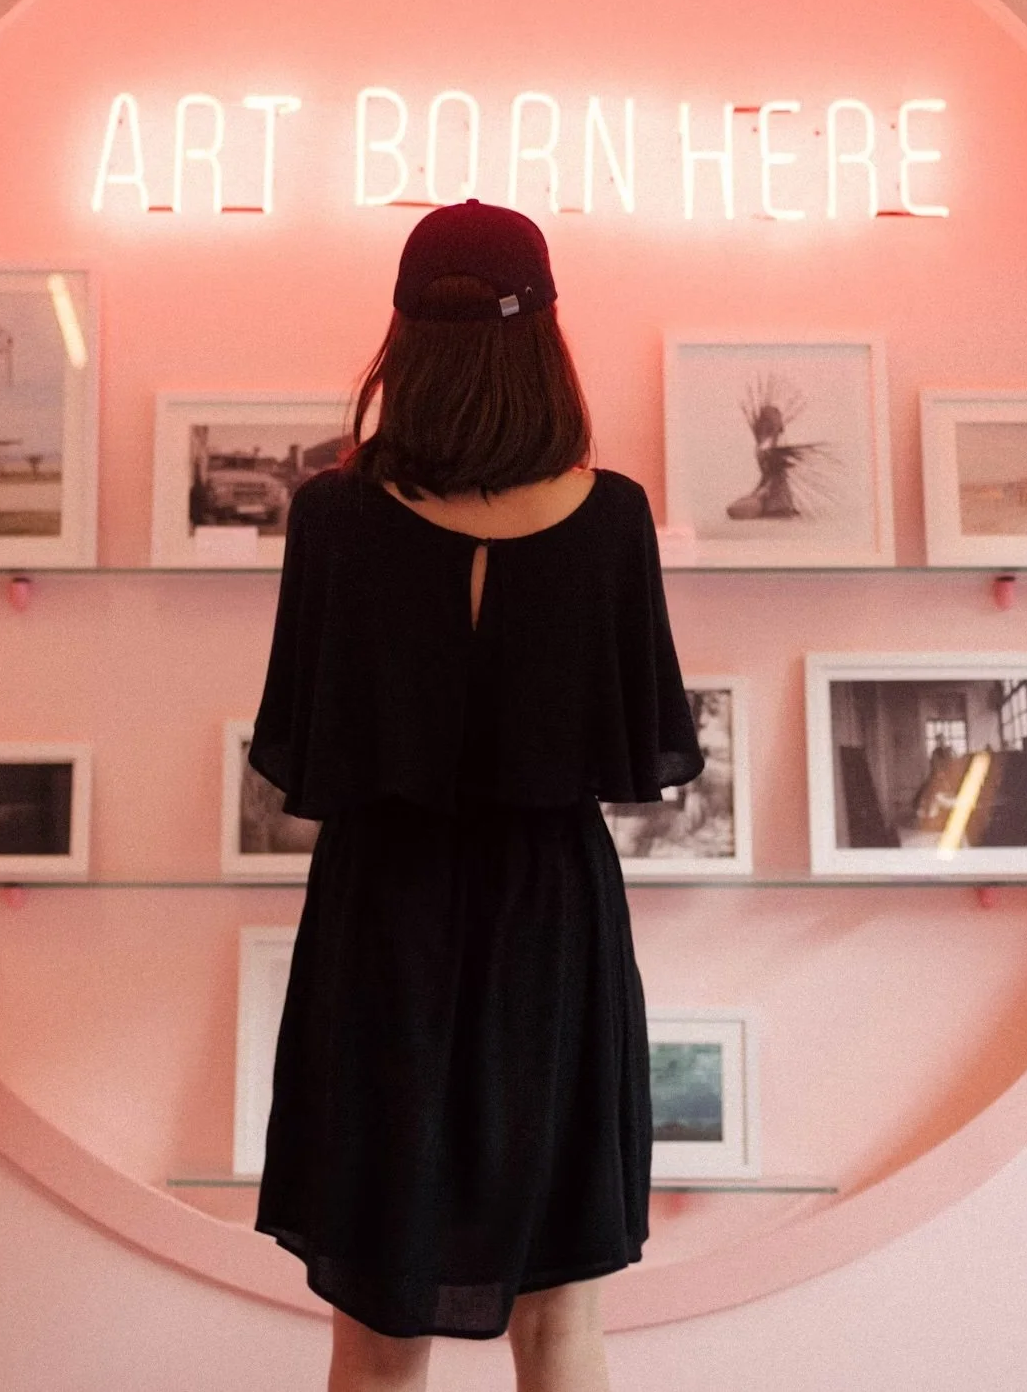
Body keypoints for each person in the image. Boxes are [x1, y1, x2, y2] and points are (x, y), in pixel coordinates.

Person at [246, 198, 705, 1392]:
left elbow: (297, 755)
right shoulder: (610, 519)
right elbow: (648, 750)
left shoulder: (333, 518)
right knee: (564, 1335)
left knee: (374, 1334)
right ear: (543, 334)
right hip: (551, 924)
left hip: (376, 925)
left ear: (400, 338)